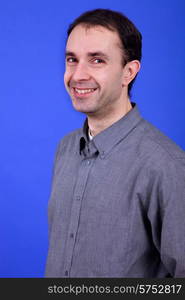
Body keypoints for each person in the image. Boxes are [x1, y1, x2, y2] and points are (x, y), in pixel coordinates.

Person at [45, 9, 185, 278]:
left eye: (97, 60)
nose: (78, 75)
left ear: (128, 72)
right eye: (72, 59)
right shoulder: (65, 149)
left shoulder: (167, 166)